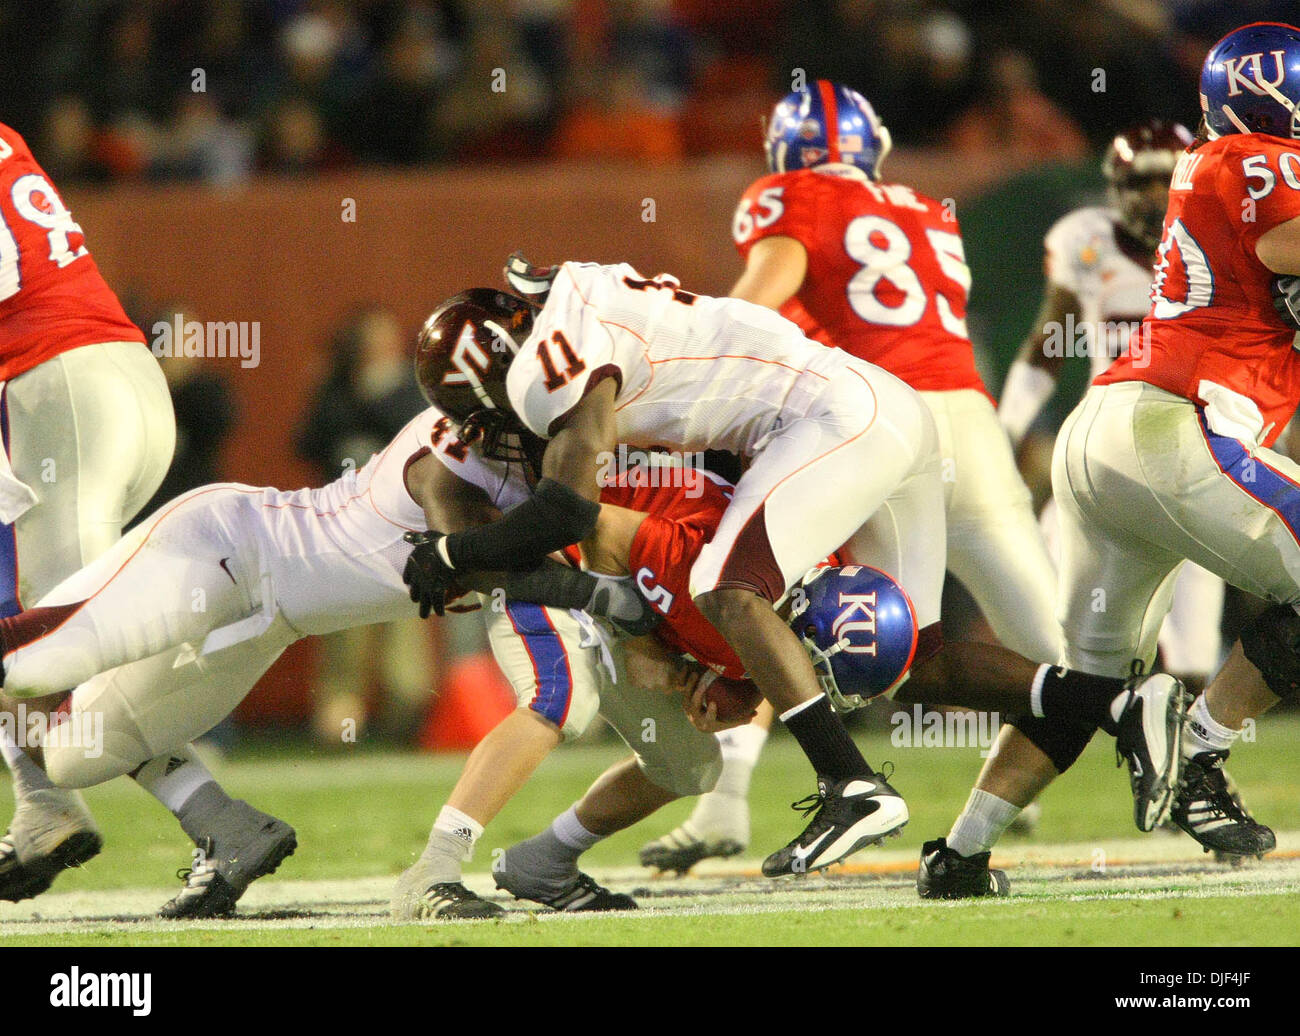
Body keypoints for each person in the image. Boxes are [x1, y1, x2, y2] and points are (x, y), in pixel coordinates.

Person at [404, 266, 1186, 880]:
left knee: (725, 587)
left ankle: (853, 787)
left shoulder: (549, 370)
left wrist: (451, 555)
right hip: (880, 411)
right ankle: (1122, 703)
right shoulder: (574, 298)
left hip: (829, 419)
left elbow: (568, 515)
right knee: (913, 662)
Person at [641, 79, 1063, 873]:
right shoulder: (924, 209)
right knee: (1055, 653)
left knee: (762, 595)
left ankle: (735, 799)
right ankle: (1164, 759)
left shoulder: (789, 196)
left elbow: (752, 313)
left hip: (869, 428)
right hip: (966, 417)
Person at [920, 20, 1300, 898]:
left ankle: (963, 852)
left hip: (1112, 436)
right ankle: (1200, 756)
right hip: (1177, 429)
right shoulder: (1250, 157)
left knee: (1091, 683)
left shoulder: (1226, 169)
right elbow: (1287, 247)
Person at [0, 120, 289, 915]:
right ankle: (46, 807)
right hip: (115, 381)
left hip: (54, 394)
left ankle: (218, 821)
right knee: (24, 625)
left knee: (55, 648)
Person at [999, 119, 1226, 696]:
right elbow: (1049, 345)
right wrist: (1006, 434)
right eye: (1138, 184)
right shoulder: (1087, 240)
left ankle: (1189, 767)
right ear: (1113, 189)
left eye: (1163, 182)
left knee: (1195, 649)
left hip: (1201, 446)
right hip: (1110, 445)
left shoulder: (1228, 243)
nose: (1152, 198)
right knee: (1056, 612)